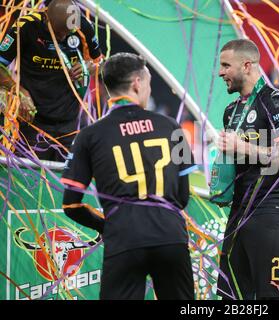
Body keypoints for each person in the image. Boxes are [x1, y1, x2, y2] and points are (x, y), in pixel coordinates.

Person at [61, 53, 196, 300]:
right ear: (136, 83)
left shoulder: (89, 136)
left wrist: (106, 225)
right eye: (148, 83)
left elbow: (70, 204)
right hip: (169, 235)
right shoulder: (172, 127)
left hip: (123, 237)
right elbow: (182, 196)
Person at [216, 39, 279, 299]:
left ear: (247, 65)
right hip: (239, 213)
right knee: (231, 296)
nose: (220, 72)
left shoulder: (276, 102)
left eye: (225, 65)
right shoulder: (231, 110)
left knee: (272, 295)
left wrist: (243, 148)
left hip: (271, 213)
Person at [0, 0, 102, 161]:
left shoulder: (84, 26)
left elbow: (100, 62)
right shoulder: (25, 26)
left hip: (69, 122)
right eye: (58, 32)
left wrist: (88, 66)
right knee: (31, 180)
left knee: (65, 181)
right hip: (33, 121)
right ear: (46, 17)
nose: (62, 37)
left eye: (67, 33)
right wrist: (18, 90)